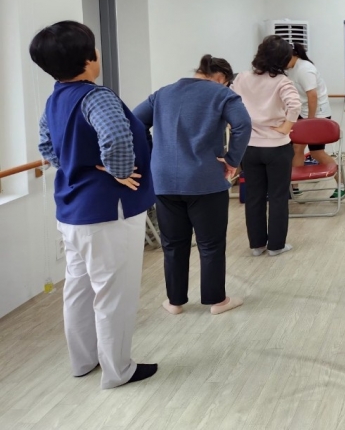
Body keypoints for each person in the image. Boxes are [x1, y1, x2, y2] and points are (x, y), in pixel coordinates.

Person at [30, 20, 157, 389]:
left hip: (71, 211)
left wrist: (82, 164)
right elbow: (116, 136)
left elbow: (47, 147)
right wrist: (118, 170)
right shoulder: (95, 97)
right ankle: (119, 371)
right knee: (113, 293)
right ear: (88, 59)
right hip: (107, 212)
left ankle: (83, 361)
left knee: (79, 288)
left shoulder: (55, 99)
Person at [133, 55, 251, 316]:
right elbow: (243, 124)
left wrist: (154, 153)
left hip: (164, 181)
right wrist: (232, 159)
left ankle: (175, 302)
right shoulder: (222, 94)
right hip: (205, 179)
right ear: (222, 78)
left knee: (173, 244)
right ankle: (217, 301)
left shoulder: (162, 94)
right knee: (210, 244)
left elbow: (133, 122)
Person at [232, 36, 302, 257]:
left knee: (254, 196)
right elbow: (295, 105)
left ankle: (257, 245)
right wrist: (286, 127)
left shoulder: (242, 78)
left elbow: (229, 102)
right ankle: (276, 245)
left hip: (249, 146)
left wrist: (236, 126)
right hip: (277, 146)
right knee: (278, 196)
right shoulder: (282, 81)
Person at [286, 42, 345, 199]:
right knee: (296, 148)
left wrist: (310, 121)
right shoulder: (291, 68)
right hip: (303, 112)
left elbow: (312, 96)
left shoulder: (305, 69)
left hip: (317, 114)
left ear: (293, 55)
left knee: (316, 152)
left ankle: (343, 184)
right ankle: (294, 187)